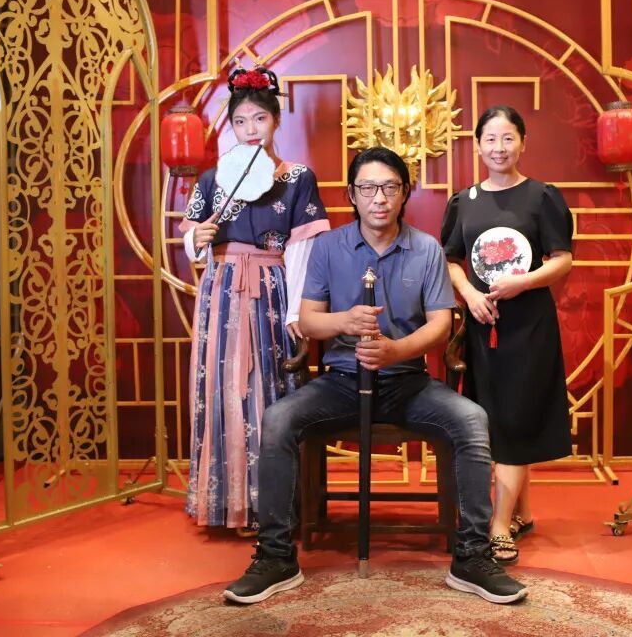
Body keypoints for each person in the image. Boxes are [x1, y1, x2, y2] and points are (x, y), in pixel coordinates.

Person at [222, 147, 529, 605]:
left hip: (408, 382)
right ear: (352, 194)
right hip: (343, 381)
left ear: (405, 193)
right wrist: (344, 321)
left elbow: (440, 325)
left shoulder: (426, 249)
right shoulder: (329, 247)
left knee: (471, 420)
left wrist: (395, 351)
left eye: (389, 187)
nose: (379, 198)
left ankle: (471, 557)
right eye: (367, 188)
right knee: (279, 419)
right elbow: (309, 321)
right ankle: (276, 556)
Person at [180, 67, 330, 533]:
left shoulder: (297, 177)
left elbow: (303, 248)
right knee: (222, 385)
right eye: (240, 121)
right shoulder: (212, 179)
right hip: (221, 291)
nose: (250, 130)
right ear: (231, 126)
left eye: (260, 119)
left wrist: (296, 309)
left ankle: (273, 506)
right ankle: (226, 503)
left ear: (276, 121)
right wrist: (195, 241)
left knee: (269, 385)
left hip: (271, 290)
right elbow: (193, 241)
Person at [440, 105, 574, 565]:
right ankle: (524, 512)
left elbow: (563, 259)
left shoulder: (542, 196)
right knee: (494, 419)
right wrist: (468, 295)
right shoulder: (464, 201)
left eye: (508, 138)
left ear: (523, 143)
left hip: (529, 326)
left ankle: (498, 526)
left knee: (516, 419)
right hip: (482, 325)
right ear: (477, 146)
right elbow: (450, 260)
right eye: (490, 139)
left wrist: (524, 281)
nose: (499, 148)